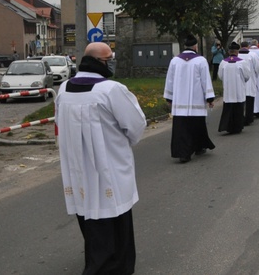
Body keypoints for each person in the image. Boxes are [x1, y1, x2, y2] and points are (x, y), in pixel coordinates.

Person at [55, 41, 146, 274]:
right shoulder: (112, 90)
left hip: (78, 166)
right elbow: (135, 125)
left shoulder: (64, 89)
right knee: (114, 216)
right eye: (109, 59)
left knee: (89, 215)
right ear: (99, 62)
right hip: (109, 165)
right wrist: (124, 143)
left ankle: (97, 261)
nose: (111, 63)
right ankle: (114, 266)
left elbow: (59, 125)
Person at [164, 35, 216, 163]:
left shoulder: (175, 61)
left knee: (181, 128)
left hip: (179, 102)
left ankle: (183, 153)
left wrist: (169, 98)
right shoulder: (201, 60)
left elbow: (169, 80)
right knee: (196, 125)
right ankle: (198, 147)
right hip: (196, 101)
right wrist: (209, 98)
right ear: (195, 46)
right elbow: (205, 80)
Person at [217, 42, 251, 134]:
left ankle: (228, 126)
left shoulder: (223, 62)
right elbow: (247, 76)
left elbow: (220, 76)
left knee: (228, 108)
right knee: (238, 108)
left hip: (228, 90)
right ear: (237, 52)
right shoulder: (242, 62)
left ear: (229, 52)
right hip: (238, 89)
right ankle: (237, 127)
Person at [237, 41, 259, 125]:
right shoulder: (253, 55)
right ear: (248, 46)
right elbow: (258, 67)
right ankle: (248, 118)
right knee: (249, 100)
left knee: (240, 101)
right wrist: (255, 75)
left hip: (239, 81)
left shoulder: (237, 55)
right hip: (250, 80)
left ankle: (240, 118)